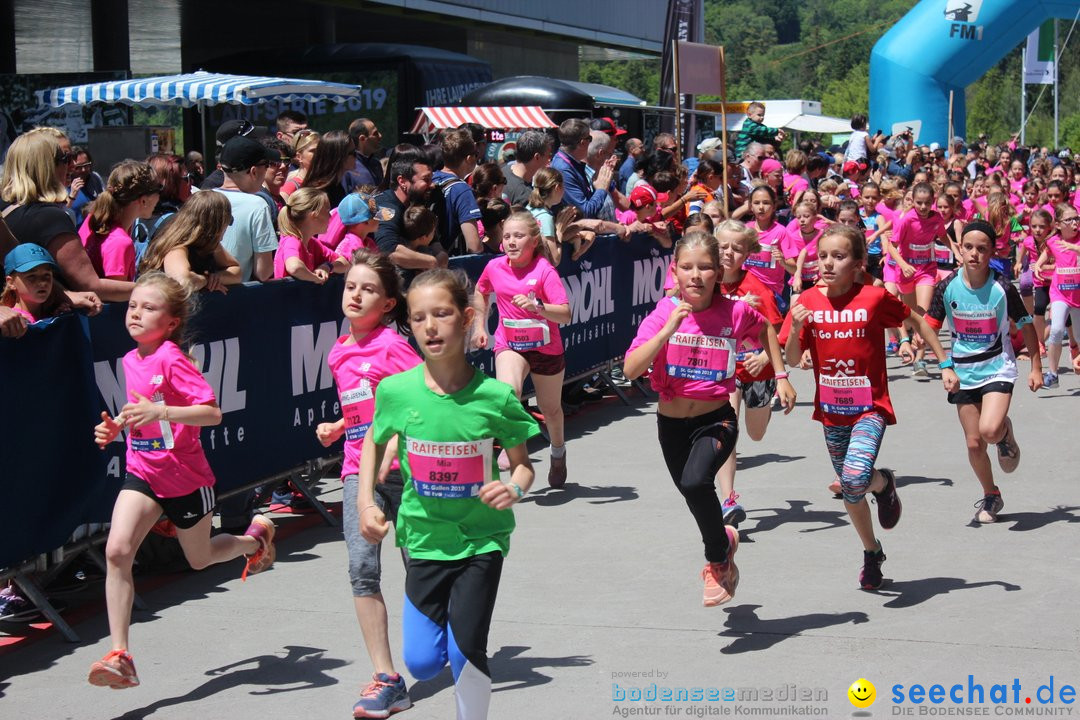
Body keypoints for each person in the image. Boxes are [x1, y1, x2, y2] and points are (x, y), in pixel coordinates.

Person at [359, 268, 541, 720]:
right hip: (423, 538)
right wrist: (366, 502)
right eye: (418, 318)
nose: (430, 326)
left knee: (466, 653)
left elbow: (523, 465)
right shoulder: (396, 391)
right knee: (421, 663)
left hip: (481, 539)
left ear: (465, 319)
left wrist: (514, 487)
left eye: (441, 314)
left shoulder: (495, 397)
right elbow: (374, 440)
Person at [88, 272, 276, 690]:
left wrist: (163, 414)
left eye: (148, 308)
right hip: (142, 471)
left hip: (187, 479)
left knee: (201, 558)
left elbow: (212, 413)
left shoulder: (172, 358)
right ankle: (120, 655)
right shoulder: (130, 360)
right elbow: (141, 406)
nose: (136, 313)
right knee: (117, 550)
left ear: (171, 322)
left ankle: (255, 540)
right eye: (133, 305)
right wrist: (117, 426)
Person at [624, 229, 795, 606]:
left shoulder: (733, 312)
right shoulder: (663, 313)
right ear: (674, 272)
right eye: (687, 267)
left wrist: (780, 374)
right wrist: (667, 331)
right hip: (671, 425)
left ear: (718, 272)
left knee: (695, 480)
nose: (696, 275)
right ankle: (727, 543)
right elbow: (632, 368)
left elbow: (767, 326)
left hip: (717, 418)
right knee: (691, 489)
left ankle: (716, 562)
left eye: (705, 268)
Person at [784, 224, 952, 590]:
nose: (828, 264)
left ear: (859, 263)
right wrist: (796, 330)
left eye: (839, 257)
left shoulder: (873, 298)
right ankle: (872, 550)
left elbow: (916, 319)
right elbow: (794, 358)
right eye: (823, 256)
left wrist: (945, 363)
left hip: (869, 407)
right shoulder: (807, 302)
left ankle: (883, 480)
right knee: (851, 488)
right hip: (831, 411)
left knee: (855, 476)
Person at [315, 250, 421, 719]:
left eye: (369, 290)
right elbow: (367, 405)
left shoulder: (394, 347)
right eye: (350, 286)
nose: (355, 295)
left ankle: (449, 641)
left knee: (422, 570)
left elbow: (419, 400)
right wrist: (341, 426)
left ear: (389, 304)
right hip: (359, 472)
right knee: (362, 571)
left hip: (411, 473)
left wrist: (399, 440)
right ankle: (388, 679)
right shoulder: (339, 350)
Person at [924, 220, 1041, 523]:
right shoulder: (947, 286)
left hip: (998, 366)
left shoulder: (1001, 287)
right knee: (974, 442)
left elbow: (1026, 325)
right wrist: (937, 360)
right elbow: (930, 326)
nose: (974, 254)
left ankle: (1004, 434)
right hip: (963, 370)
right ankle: (992, 495)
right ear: (960, 249)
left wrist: (1036, 368)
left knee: (989, 431)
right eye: (968, 247)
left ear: (991, 253)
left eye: (982, 249)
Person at [473, 210, 572, 487]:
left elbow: (565, 314)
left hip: (545, 348)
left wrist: (539, 307)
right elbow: (481, 291)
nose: (511, 242)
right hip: (510, 343)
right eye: (507, 237)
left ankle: (558, 452)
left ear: (534, 240)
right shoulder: (494, 267)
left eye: (518, 236)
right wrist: (480, 327)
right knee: (509, 393)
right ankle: (512, 446)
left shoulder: (544, 271)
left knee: (550, 410)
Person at [713, 221, 790, 527]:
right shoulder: (708, 283)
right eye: (723, 246)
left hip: (758, 370)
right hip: (724, 371)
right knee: (726, 431)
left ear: (747, 253)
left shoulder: (757, 288)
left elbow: (778, 330)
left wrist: (764, 355)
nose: (728, 253)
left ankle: (766, 406)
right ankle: (728, 499)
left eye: (736, 248)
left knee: (755, 434)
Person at [0, 131, 133, 302]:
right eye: (65, 159)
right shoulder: (50, 218)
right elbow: (90, 287)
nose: (72, 166)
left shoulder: (6, 208)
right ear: (46, 167)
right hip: (54, 324)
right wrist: (153, 287)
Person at [884, 182, 946, 379]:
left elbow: (944, 236)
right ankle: (908, 338)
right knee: (909, 315)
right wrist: (902, 264)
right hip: (907, 272)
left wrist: (956, 249)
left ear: (932, 202)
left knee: (922, 313)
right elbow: (892, 246)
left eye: (927, 203)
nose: (923, 207)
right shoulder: (906, 220)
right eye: (919, 202)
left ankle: (920, 359)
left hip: (927, 269)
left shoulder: (936, 218)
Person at [137, 190, 243, 293]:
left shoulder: (210, 243)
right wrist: (206, 280)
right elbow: (183, 281)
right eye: (227, 221)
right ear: (216, 225)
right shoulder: (177, 247)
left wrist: (216, 278)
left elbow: (236, 270)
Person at [78, 161, 162, 282]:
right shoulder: (121, 242)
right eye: (159, 190)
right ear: (143, 200)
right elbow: (116, 296)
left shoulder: (93, 219)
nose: (159, 197)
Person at [214, 135, 281, 282]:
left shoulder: (200, 197)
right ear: (254, 172)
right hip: (237, 298)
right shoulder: (257, 205)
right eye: (267, 165)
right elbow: (263, 272)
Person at [374, 152, 444, 276]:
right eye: (426, 179)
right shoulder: (385, 208)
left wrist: (438, 263)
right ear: (402, 182)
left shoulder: (418, 205)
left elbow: (438, 249)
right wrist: (430, 262)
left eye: (431, 179)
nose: (432, 185)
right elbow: (389, 252)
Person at [1034, 204, 1080, 388]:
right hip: (1059, 293)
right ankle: (1052, 374)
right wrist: (1038, 264)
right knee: (1056, 330)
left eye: (1076, 218)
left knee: (1079, 335)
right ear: (1059, 224)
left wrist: (1072, 247)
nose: (1075, 222)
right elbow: (1047, 252)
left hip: (1078, 296)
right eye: (1069, 219)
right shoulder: (1053, 241)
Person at [274, 188, 348, 282]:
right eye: (326, 211)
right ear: (313, 216)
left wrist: (327, 266)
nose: (330, 216)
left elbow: (345, 263)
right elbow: (294, 268)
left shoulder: (312, 243)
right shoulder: (291, 240)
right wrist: (315, 279)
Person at [550, 118, 615, 219]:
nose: (591, 142)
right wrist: (601, 189)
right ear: (583, 143)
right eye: (590, 138)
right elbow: (585, 212)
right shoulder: (563, 169)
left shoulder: (571, 163)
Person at [432, 129, 483, 255]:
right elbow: (474, 246)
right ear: (469, 158)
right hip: (449, 264)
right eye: (476, 154)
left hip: (426, 260)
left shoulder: (430, 179)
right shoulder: (462, 190)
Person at [2, 243, 73, 323]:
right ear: (10, 282)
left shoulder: (55, 312)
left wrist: (58, 321)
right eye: (32, 276)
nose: (42, 282)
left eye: (47, 275)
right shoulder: (10, 322)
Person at [335, 192, 396, 262]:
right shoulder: (351, 248)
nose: (380, 220)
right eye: (376, 217)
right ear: (364, 221)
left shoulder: (368, 242)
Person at [502, 130, 552, 208]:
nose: (549, 160)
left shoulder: (501, 172)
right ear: (537, 157)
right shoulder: (525, 197)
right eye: (548, 156)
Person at [344, 118, 385, 192]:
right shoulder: (348, 168)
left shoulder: (376, 164)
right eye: (375, 133)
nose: (380, 136)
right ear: (362, 139)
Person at [281, 130, 320, 200]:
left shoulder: (322, 183)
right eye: (313, 151)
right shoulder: (290, 187)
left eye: (321, 150)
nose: (319, 154)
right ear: (299, 157)